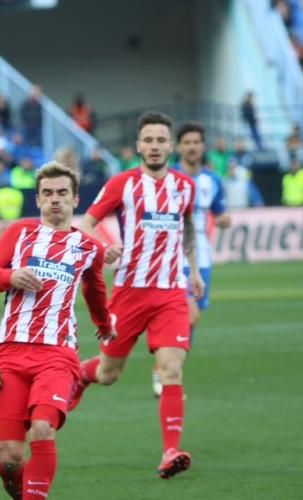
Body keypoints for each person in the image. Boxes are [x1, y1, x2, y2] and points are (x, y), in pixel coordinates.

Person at [0, 161, 114, 500]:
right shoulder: (19, 233)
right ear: (37, 199)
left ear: (75, 199)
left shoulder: (88, 247)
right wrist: (9, 276)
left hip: (57, 353)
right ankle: (20, 497)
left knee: (42, 428)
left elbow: (95, 290)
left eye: (62, 193)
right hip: (10, 354)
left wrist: (104, 324)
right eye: (48, 194)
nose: (55, 200)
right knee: (10, 455)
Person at [75, 111, 201, 480]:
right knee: (109, 373)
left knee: (171, 369)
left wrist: (192, 270)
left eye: (162, 140)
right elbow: (86, 223)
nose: (155, 146)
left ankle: (170, 451)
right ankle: (80, 374)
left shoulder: (184, 187)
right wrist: (103, 249)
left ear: (171, 145)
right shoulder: (122, 184)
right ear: (139, 146)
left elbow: (188, 227)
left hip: (171, 293)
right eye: (149, 140)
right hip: (129, 292)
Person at [151, 122, 231, 397]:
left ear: (203, 146)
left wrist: (222, 219)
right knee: (188, 313)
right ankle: (167, 375)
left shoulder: (212, 181)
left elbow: (219, 210)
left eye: (197, 142)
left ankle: (166, 368)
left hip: (202, 258)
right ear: (178, 147)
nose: (192, 147)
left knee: (192, 320)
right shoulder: (166, 180)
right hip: (172, 257)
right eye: (187, 142)